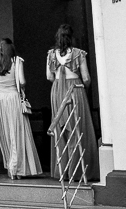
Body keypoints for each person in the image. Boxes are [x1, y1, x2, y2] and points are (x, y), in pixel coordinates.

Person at [46, 24, 99, 182]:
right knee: (77, 128)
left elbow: (49, 77)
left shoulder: (51, 55)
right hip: (75, 89)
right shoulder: (78, 53)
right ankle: (77, 171)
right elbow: (87, 78)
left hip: (57, 91)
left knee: (61, 129)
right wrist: (86, 88)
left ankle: (62, 170)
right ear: (71, 37)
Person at [0, 38, 41, 179]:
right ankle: (18, 169)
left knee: (5, 134)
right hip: (13, 98)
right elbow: (22, 81)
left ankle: (11, 168)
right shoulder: (17, 61)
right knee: (17, 133)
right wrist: (22, 88)